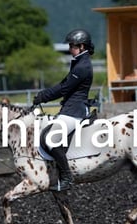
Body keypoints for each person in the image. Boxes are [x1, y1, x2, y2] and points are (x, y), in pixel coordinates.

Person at [33, 28, 94, 191]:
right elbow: (64, 84)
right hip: (70, 108)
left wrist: (43, 96)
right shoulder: (79, 62)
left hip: (75, 111)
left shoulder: (82, 66)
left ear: (82, 46)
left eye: (72, 46)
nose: (69, 48)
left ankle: (67, 177)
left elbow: (63, 88)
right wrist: (44, 94)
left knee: (50, 139)